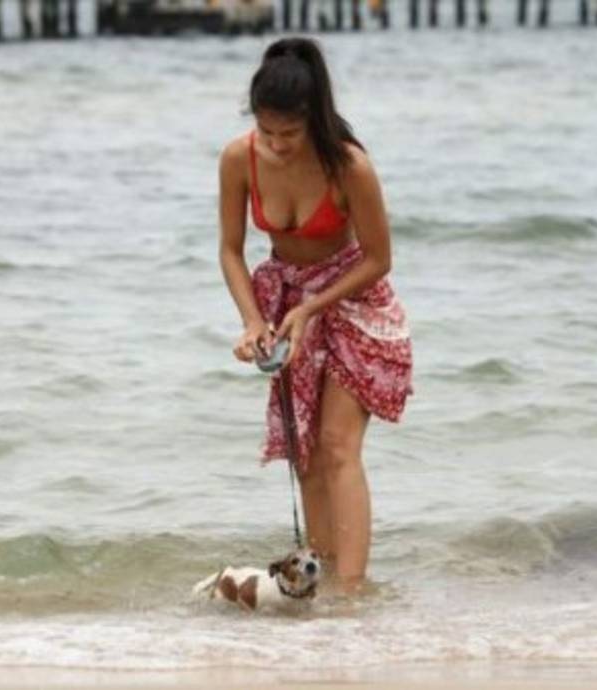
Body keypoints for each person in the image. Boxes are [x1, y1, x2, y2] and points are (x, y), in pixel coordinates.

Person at [217, 37, 413, 593]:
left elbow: (379, 259)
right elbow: (231, 250)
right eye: (267, 131)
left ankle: (351, 593)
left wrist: (312, 307)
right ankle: (320, 583)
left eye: (290, 134)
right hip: (287, 303)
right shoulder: (238, 158)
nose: (276, 145)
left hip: (353, 300)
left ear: (314, 120)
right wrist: (254, 320)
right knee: (304, 454)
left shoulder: (349, 166)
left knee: (335, 446)